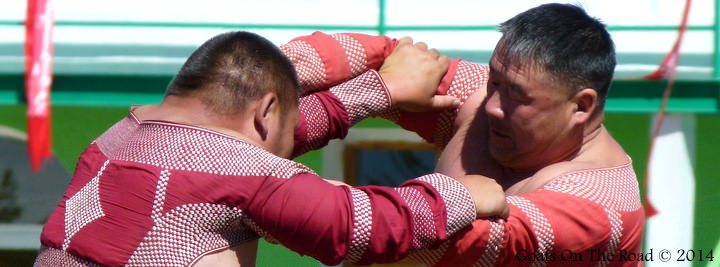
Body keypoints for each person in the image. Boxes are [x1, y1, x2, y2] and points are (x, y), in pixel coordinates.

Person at [33, 31, 508, 266]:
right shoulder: (244, 172)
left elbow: (249, 148)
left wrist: (382, 91)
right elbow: (359, 225)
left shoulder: (117, 136)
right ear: (265, 112)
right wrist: (467, 192)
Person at [284, 3, 644, 266]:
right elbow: (384, 58)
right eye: (495, 81)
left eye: (517, 95)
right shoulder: (485, 99)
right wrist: (252, 90)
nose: (493, 106)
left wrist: (268, 190)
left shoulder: (599, 208)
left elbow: (436, 244)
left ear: (581, 107)